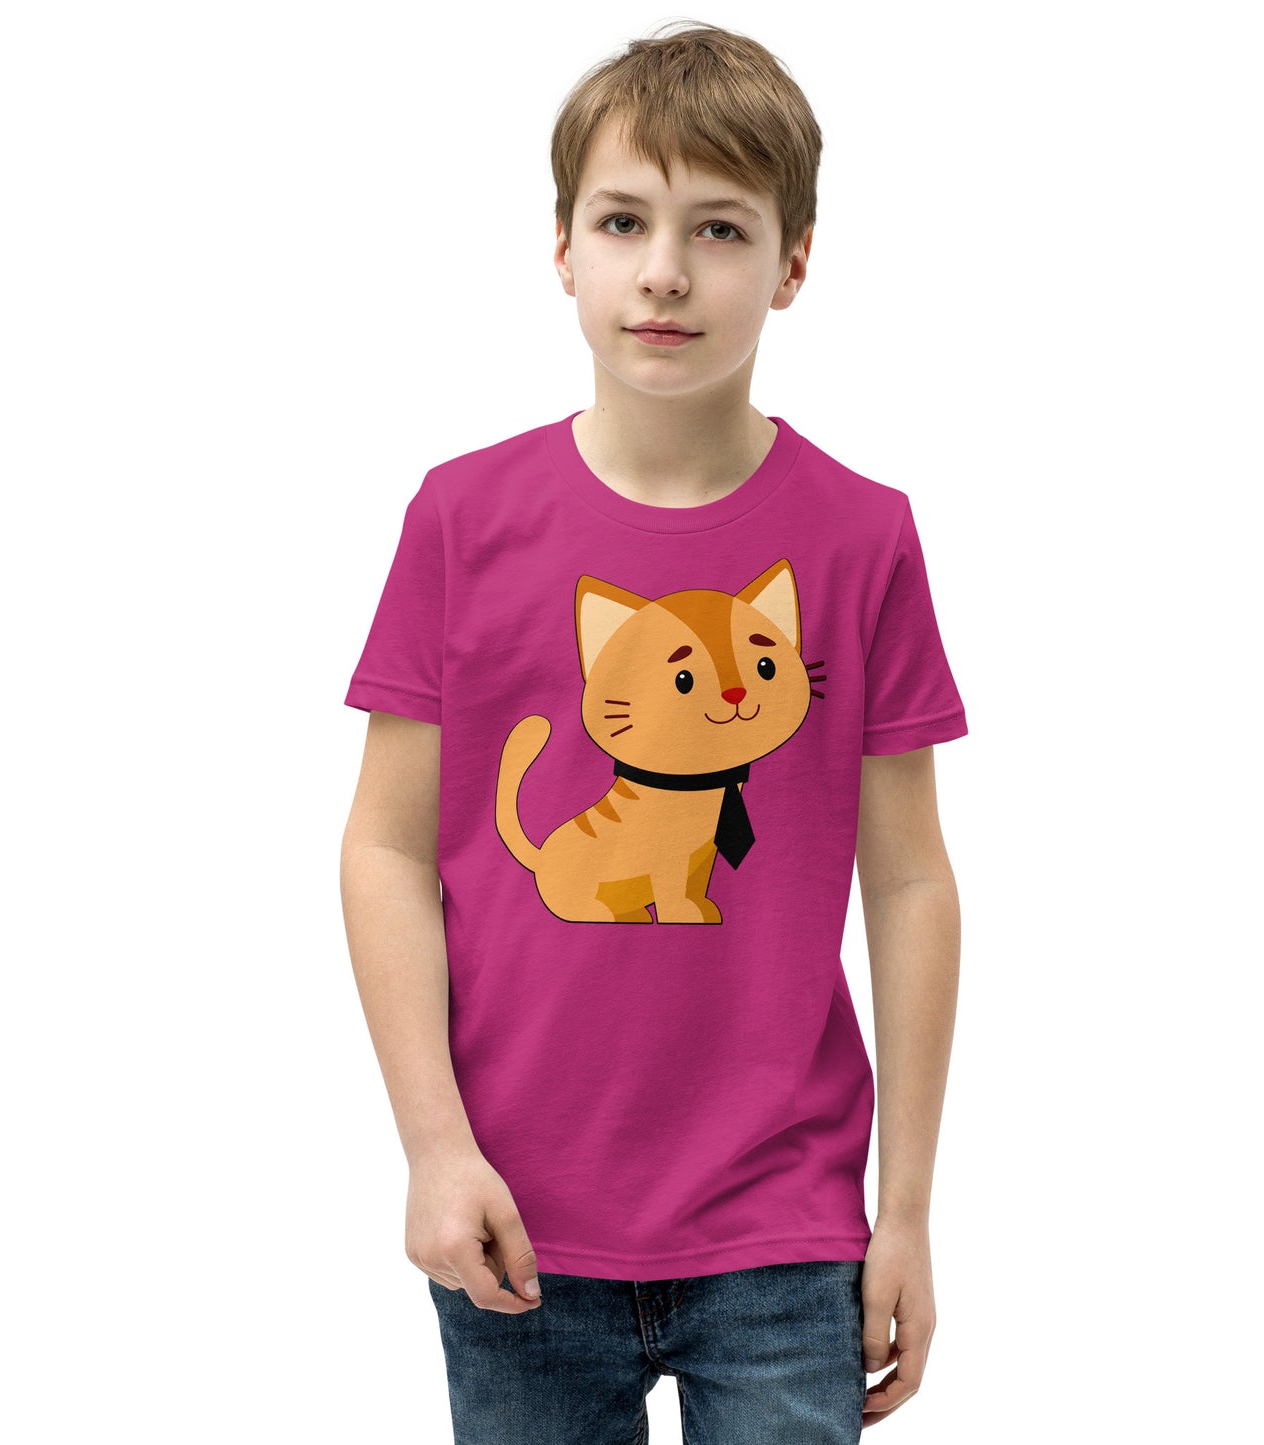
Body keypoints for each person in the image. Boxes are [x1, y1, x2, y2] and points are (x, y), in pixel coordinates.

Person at [339, 20, 968, 1441]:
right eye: (623, 221)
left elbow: (911, 880)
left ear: (793, 264)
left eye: (719, 228)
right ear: (562, 248)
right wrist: (433, 1147)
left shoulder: (862, 537)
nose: (665, 271)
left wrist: (909, 1210)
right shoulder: (462, 518)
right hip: (513, 1218)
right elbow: (384, 850)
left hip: (785, 1220)